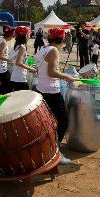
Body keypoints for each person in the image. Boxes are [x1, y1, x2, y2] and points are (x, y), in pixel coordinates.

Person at [34, 28, 75, 165]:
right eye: (63, 41)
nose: (63, 43)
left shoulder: (42, 49)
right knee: (62, 121)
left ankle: (45, 149)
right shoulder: (54, 50)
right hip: (52, 92)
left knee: (46, 122)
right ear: (60, 40)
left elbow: (41, 69)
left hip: (41, 89)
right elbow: (51, 72)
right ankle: (55, 151)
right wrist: (67, 77)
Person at [10, 26, 36, 91]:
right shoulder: (22, 47)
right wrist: (31, 69)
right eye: (28, 34)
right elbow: (18, 62)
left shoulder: (16, 46)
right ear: (25, 35)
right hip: (20, 78)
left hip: (15, 77)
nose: (29, 36)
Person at [0, 25, 15, 94]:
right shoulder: (4, 43)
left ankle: (1, 96)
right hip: (1, 68)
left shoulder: (1, 40)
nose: (13, 36)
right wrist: (10, 59)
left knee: (2, 84)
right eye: (13, 35)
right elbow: (0, 56)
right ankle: (4, 99)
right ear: (10, 35)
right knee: (7, 86)